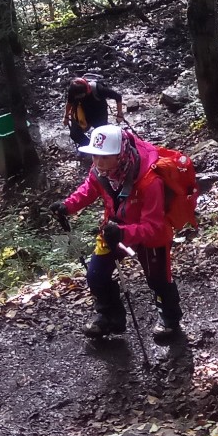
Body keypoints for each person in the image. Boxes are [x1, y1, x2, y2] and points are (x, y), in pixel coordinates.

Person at [56, 124, 184, 343]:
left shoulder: (150, 180)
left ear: (121, 154)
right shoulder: (101, 171)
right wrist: (68, 206)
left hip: (149, 236)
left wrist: (122, 234)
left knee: (158, 280)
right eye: (95, 156)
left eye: (105, 157)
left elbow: (153, 226)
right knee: (95, 275)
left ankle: (170, 320)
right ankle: (109, 317)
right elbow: (90, 188)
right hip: (114, 228)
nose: (98, 162)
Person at [65, 77, 125, 145]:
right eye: (77, 96)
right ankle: (88, 146)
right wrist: (66, 117)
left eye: (81, 95)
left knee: (102, 135)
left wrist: (119, 114)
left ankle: (100, 149)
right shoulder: (73, 91)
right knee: (75, 134)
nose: (79, 97)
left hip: (99, 113)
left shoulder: (99, 89)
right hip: (81, 112)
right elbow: (69, 103)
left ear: (86, 90)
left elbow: (118, 97)